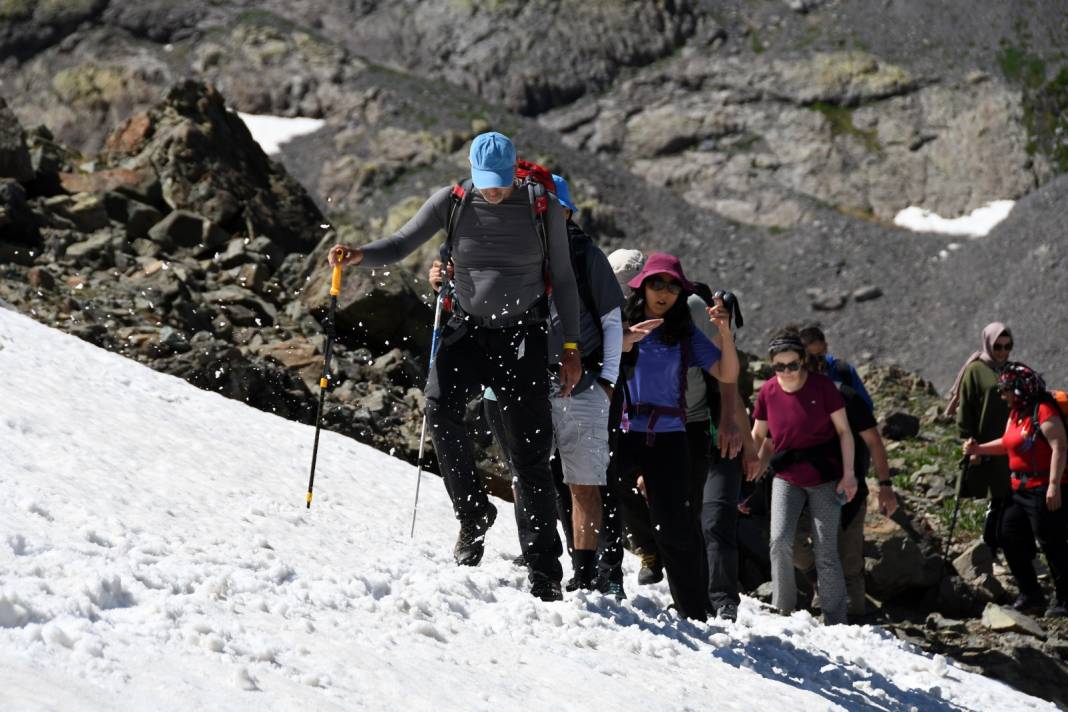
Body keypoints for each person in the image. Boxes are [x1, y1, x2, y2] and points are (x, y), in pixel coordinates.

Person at [329, 131, 583, 602]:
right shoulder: (454, 200)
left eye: (501, 182)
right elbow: (403, 241)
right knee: (440, 408)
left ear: (515, 172)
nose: (493, 190)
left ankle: (544, 569)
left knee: (529, 457)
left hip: (522, 336)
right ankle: (473, 514)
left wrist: (569, 346)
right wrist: (361, 254)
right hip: (466, 330)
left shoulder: (540, 206)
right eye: (486, 181)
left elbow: (564, 280)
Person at [616, 253, 741, 620]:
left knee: (676, 525)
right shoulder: (623, 323)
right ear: (643, 286)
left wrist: (724, 333)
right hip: (623, 429)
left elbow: (726, 372)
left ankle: (694, 610)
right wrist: (624, 340)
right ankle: (607, 578)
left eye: (672, 286)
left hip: (670, 435)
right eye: (657, 283)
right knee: (605, 493)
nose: (664, 292)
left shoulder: (684, 333)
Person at [541, 174, 625, 593]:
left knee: (583, 481)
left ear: (568, 211)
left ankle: (586, 574)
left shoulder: (585, 252)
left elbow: (612, 321)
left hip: (587, 381)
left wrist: (608, 381)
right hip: (539, 378)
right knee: (535, 475)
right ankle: (543, 561)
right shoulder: (523, 250)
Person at [749, 328, 856, 625]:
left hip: (824, 477)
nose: (786, 372)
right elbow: (758, 434)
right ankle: (782, 607)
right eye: (779, 367)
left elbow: (845, 432)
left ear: (803, 361)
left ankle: (835, 618)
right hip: (786, 476)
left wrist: (849, 475)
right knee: (779, 539)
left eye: (792, 365)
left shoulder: (823, 388)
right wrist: (749, 468)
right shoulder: (768, 391)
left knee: (825, 548)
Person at [794, 351, 899, 620]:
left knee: (849, 561)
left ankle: (854, 626)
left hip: (849, 489)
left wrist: (885, 485)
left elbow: (874, 442)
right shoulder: (794, 399)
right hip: (807, 487)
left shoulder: (848, 398)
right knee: (790, 540)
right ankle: (823, 588)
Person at [964, 363, 1068, 618]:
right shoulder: (1016, 412)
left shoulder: (1042, 410)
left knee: (1052, 542)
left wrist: (1054, 485)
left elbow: (1059, 446)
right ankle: (1031, 594)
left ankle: (1065, 600)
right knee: (1007, 533)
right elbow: (1008, 443)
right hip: (1018, 489)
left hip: (1043, 489)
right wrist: (979, 450)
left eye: (1005, 390)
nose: (1002, 395)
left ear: (1020, 389)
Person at [946, 323, 1014, 551]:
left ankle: (1003, 545)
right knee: (995, 496)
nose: (1003, 352)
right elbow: (966, 409)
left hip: (1011, 443)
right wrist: (970, 441)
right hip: (986, 443)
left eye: (1007, 346)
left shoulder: (1010, 370)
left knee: (1007, 497)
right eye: (998, 346)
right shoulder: (976, 370)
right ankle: (989, 548)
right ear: (988, 343)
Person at [799, 324, 873, 411]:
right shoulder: (795, 380)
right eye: (812, 358)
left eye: (819, 355)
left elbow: (866, 408)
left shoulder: (842, 370)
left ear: (825, 346)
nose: (817, 362)